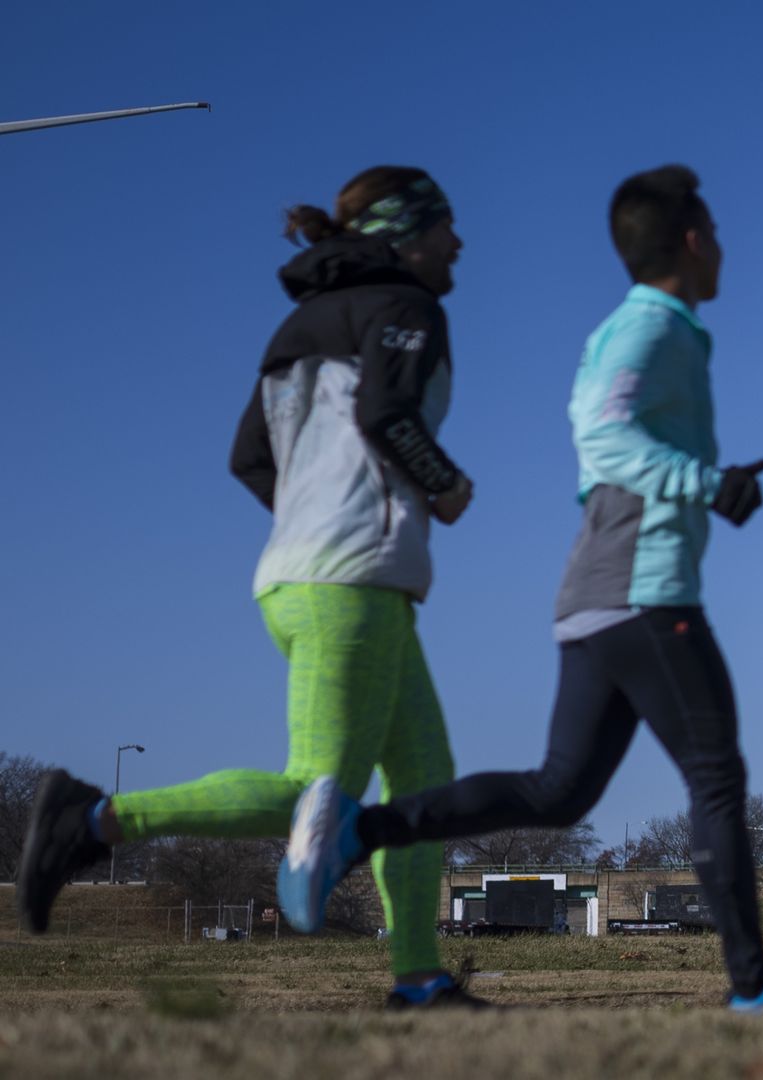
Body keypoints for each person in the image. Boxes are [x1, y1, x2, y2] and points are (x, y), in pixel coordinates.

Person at [280, 165, 763, 1012]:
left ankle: (364, 832)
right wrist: (706, 482)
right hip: (643, 591)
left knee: (560, 790)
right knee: (717, 779)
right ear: (693, 242)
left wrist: (701, 485)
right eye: (718, 233)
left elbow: (600, 449)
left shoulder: (653, 331)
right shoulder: (649, 329)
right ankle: (754, 982)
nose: (726, 247)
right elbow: (603, 431)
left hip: (596, 592)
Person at [16, 166, 485, 1009]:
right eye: (448, 226)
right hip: (353, 581)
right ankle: (89, 822)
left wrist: (313, 518)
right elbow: (388, 417)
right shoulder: (409, 308)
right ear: (407, 232)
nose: (460, 243)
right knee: (317, 787)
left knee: (424, 782)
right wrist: (444, 487)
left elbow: (249, 460)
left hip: (303, 575)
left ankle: (419, 979)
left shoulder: (296, 327)